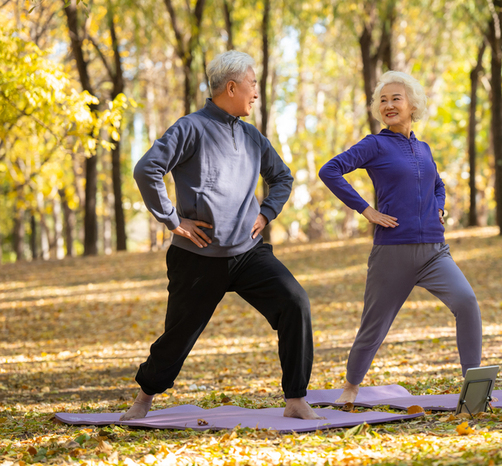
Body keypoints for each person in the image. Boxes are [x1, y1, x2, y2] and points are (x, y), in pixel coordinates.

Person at [121, 51, 322, 421]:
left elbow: (282, 177)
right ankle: (144, 398)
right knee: (177, 338)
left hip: (248, 254)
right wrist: (172, 219)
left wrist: (266, 212)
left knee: (295, 302)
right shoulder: (190, 128)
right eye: (253, 83)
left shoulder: (251, 136)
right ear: (232, 87)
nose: (256, 92)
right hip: (197, 256)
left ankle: (295, 399)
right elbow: (147, 168)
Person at [319, 71, 483, 403]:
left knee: (467, 303)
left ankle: (474, 391)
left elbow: (438, 184)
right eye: (383, 100)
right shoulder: (375, 144)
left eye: (396, 98)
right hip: (393, 251)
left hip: (435, 251)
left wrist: (438, 207)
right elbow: (329, 170)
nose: (389, 105)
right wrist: (366, 210)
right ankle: (350, 388)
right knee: (373, 327)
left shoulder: (423, 148)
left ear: (412, 105)